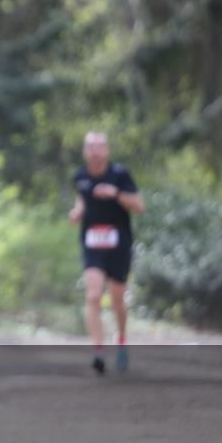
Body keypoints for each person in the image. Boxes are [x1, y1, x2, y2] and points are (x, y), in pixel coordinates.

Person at [68, 132, 144, 375]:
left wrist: (116, 194)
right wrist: (77, 212)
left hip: (119, 245)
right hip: (92, 244)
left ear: (107, 151)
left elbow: (139, 207)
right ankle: (98, 351)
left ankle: (121, 339)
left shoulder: (120, 175)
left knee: (117, 299)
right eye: (91, 147)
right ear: (84, 151)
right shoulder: (80, 176)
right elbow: (82, 200)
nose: (95, 151)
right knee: (92, 295)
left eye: (100, 146)